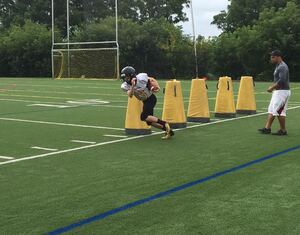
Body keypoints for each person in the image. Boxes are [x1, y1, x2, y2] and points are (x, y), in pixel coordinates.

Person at [120, 66, 174, 139]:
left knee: (144, 117)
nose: (125, 79)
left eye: (126, 77)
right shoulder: (125, 85)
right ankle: (169, 131)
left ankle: (164, 123)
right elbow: (130, 95)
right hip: (145, 101)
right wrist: (133, 85)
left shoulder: (141, 78)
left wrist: (156, 86)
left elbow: (151, 79)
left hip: (151, 99)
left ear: (131, 75)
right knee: (149, 122)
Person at [259, 50, 291, 135]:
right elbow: (278, 80)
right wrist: (273, 88)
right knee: (272, 110)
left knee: (280, 111)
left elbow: (282, 80)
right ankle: (267, 128)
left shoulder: (282, 67)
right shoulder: (278, 66)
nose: (271, 59)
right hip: (278, 92)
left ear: (278, 57)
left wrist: (272, 87)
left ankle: (283, 130)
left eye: (272, 57)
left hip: (282, 92)